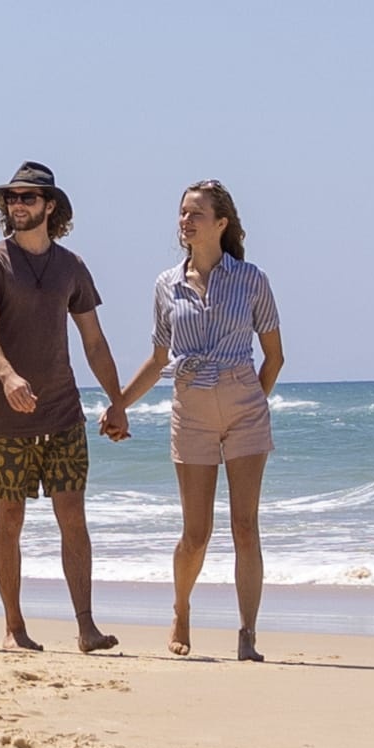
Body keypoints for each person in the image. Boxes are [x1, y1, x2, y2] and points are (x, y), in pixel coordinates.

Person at [121, 176, 288, 660]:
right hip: (189, 404)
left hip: (243, 403)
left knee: (245, 526)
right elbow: (157, 360)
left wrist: (250, 399)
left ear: (221, 223)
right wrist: (119, 405)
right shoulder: (166, 285)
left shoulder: (252, 279)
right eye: (182, 212)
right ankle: (181, 608)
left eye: (195, 213)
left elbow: (274, 356)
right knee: (196, 533)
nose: (184, 221)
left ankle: (248, 634)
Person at [0, 162, 119, 657]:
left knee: (73, 516)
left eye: (29, 197)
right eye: (12, 197)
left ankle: (87, 627)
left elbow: (93, 340)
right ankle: (14, 626)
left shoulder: (71, 266)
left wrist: (118, 401)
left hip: (63, 414)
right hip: (7, 417)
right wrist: (7, 376)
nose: (18, 204)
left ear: (51, 206)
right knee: (10, 519)